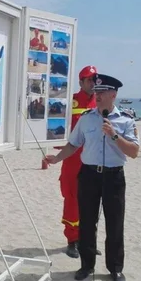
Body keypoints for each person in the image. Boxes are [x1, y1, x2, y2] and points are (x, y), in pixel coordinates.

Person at [45, 73, 139, 281]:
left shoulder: (126, 119)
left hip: (113, 176)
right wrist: (57, 158)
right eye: (96, 92)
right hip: (88, 175)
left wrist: (114, 135)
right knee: (87, 222)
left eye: (102, 92)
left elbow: (134, 152)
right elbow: (74, 144)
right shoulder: (87, 117)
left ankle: (115, 269)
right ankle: (87, 265)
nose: (97, 96)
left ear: (113, 95)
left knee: (114, 223)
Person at [59, 65, 97, 258]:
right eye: (89, 80)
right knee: (72, 199)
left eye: (94, 79)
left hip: (93, 159)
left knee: (91, 201)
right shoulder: (69, 101)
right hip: (73, 159)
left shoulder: (100, 101)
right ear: (81, 82)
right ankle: (72, 241)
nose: (92, 83)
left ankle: (87, 240)